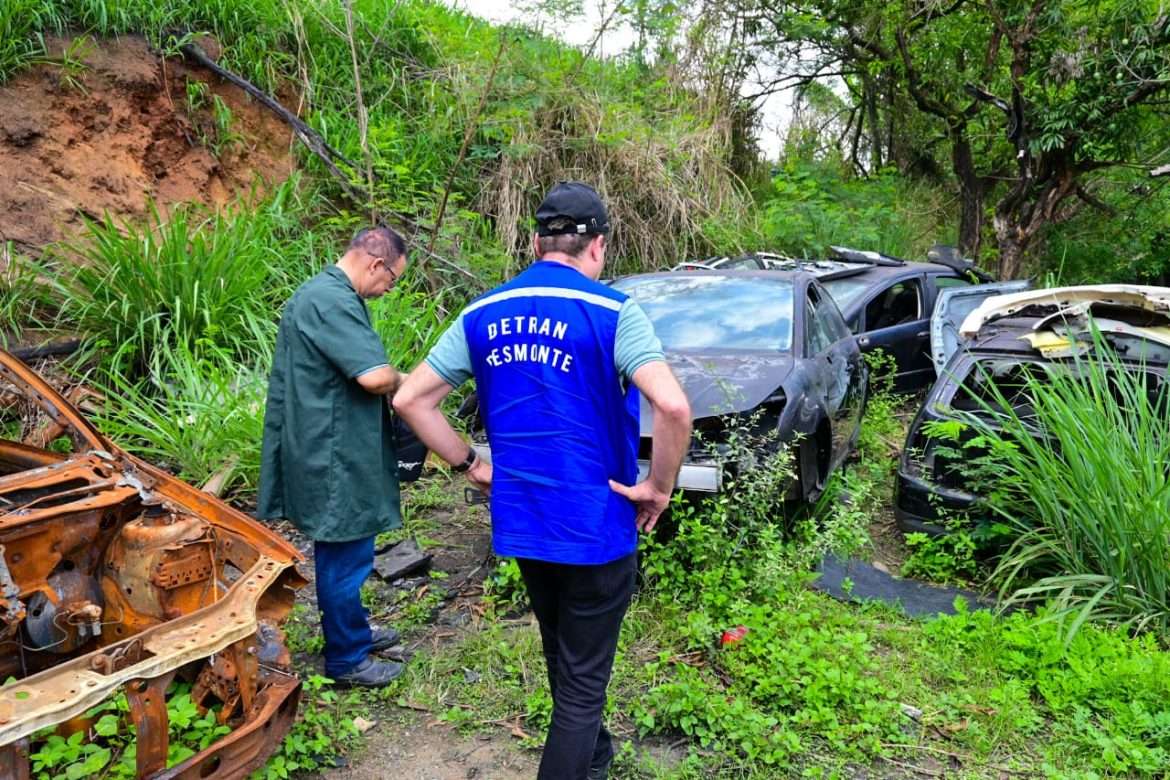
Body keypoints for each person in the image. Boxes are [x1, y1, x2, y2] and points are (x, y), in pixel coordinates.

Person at [394, 182, 692, 779]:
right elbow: (675, 408)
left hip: (524, 521)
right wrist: (658, 488)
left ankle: (596, 759)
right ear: (598, 247)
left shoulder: (481, 312)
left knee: (564, 654)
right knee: (581, 687)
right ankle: (581, 758)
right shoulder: (612, 311)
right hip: (595, 523)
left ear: (534, 243)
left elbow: (411, 399)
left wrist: (470, 464)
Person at [258, 225, 410, 688]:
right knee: (347, 551)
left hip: (329, 441)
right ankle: (348, 658)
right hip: (334, 452)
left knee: (347, 549)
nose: (388, 290)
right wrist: (408, 380)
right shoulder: (332, 300)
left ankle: (354, 631)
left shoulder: (325, 294)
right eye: (392, 280)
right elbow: (373, 377)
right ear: (375, 263)